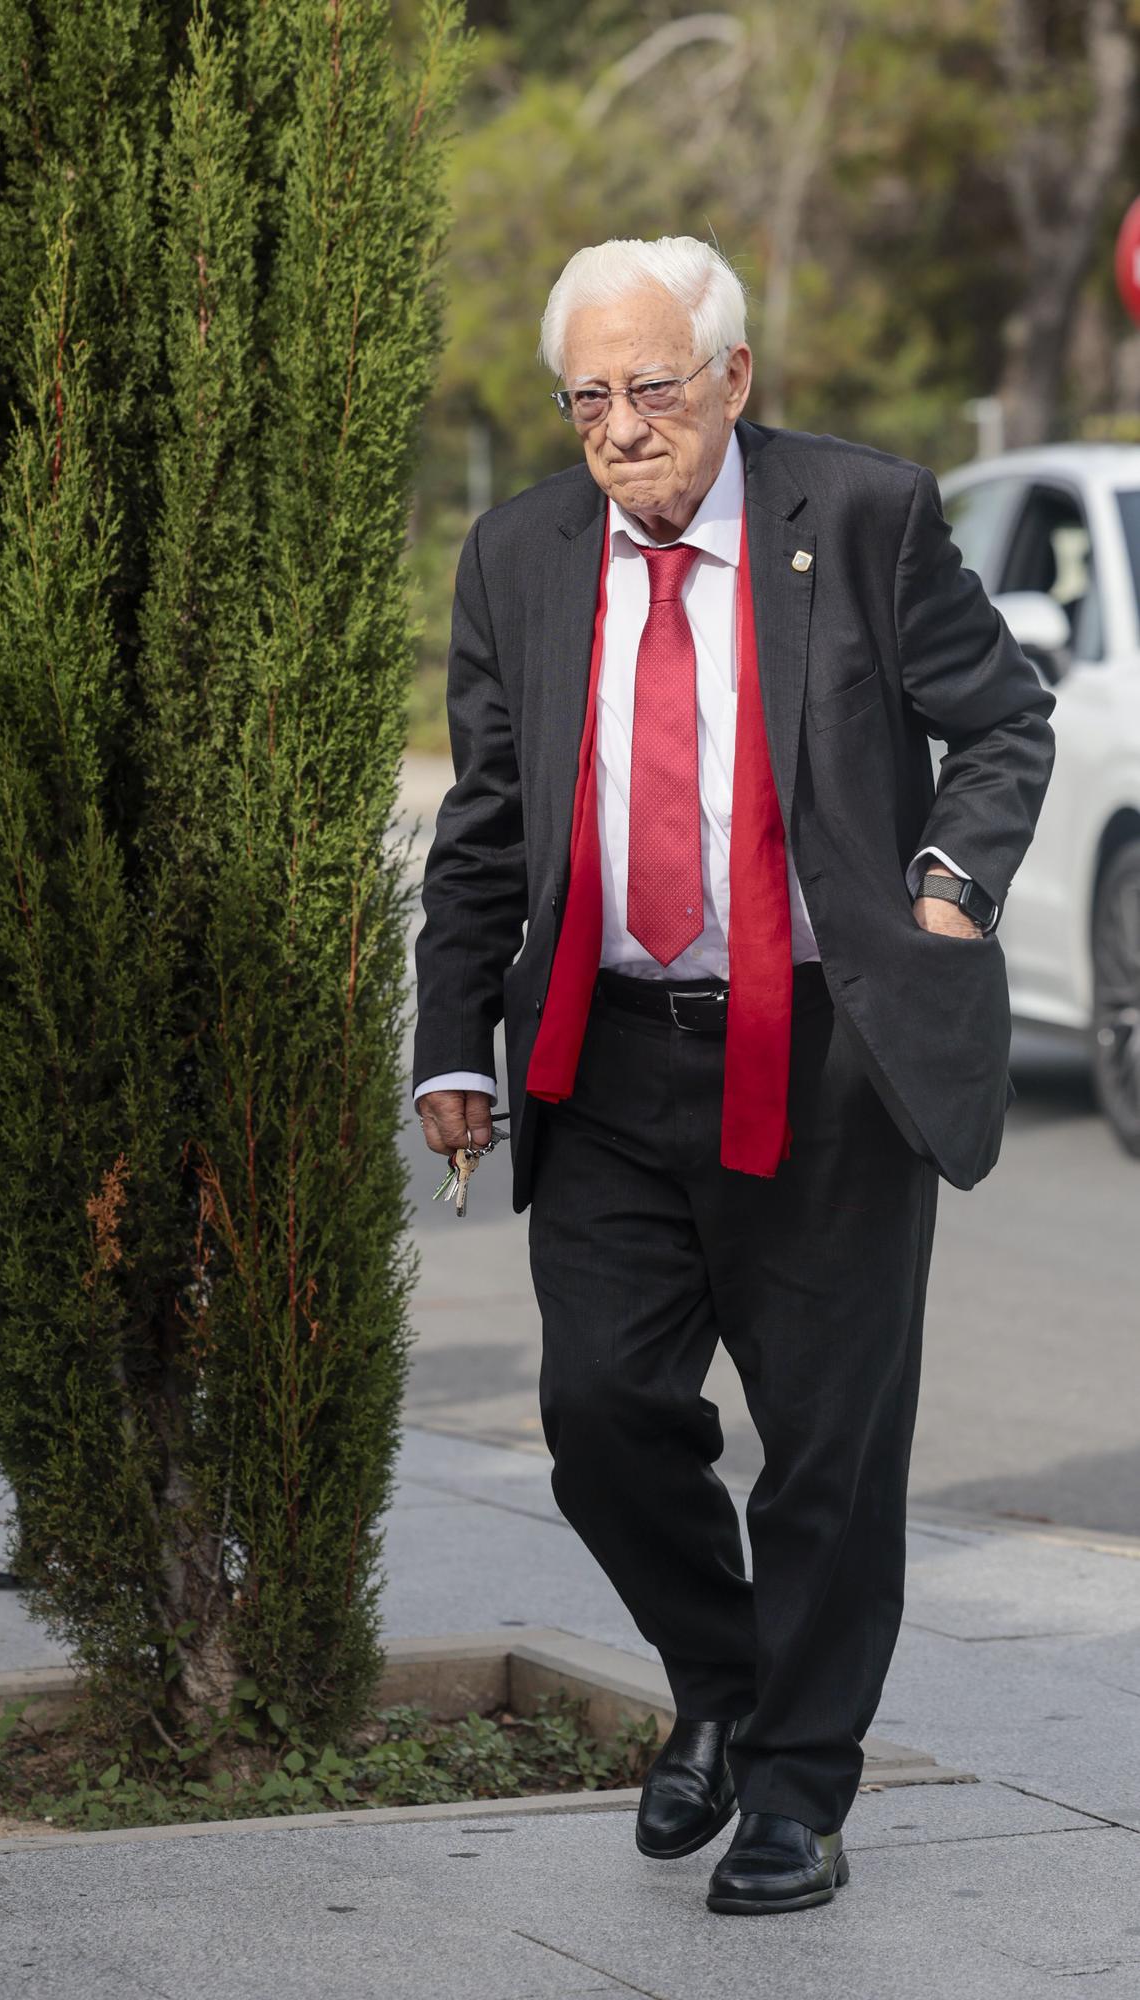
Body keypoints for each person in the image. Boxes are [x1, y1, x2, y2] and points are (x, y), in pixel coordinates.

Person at [412, 236, 1055, 1915]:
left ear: (733, 382)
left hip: (828, 1052)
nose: (621, 427)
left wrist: (943, 889)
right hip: (609, 1055)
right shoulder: (519, 556)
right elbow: (485, 823)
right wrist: (445, 1042)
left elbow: (1002, 724)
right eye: (588, 399)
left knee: (827, 1449)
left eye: (652, 388)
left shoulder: (861, 516)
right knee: (598, 1414)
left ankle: (792, 1795)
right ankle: (726, 1678)